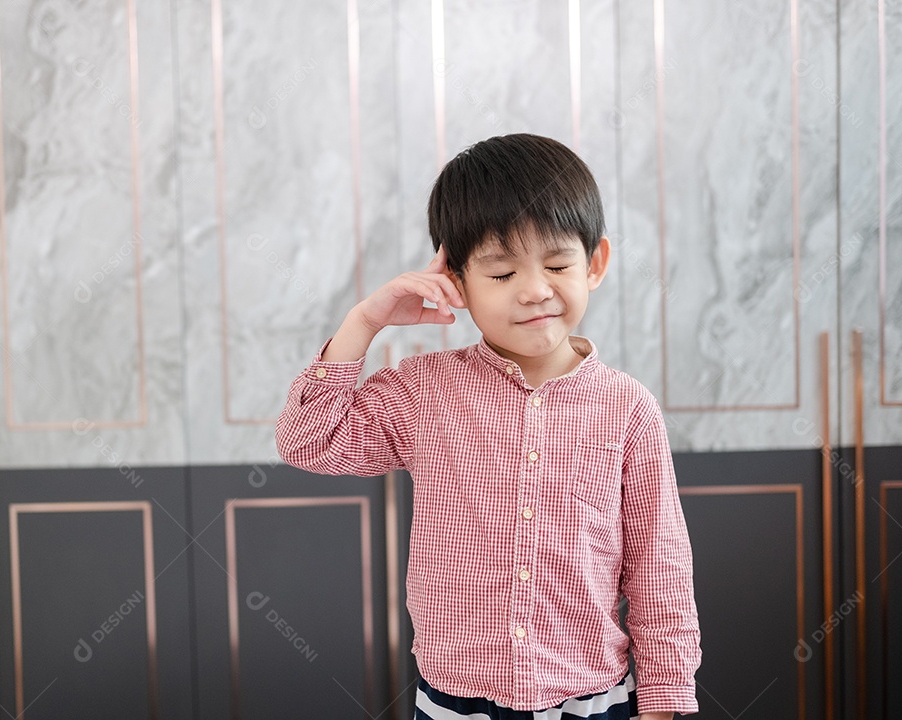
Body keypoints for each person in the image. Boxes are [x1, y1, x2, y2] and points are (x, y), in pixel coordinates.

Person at [275, 133, 701, 719]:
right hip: (457, 701)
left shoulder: (628, 409)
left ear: (594, 264)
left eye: (556, 264)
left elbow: (660, 564)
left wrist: (664, 698)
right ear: (457, 281)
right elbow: (309, 441)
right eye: (501, 274)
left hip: (595, 699)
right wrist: (366, 321)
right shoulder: (423, 391)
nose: (534, 290)